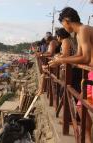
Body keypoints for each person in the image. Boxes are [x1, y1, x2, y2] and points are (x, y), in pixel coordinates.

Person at [49, 7, 93, 143]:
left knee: (82, 105)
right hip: (91, 73)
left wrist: (61, 60)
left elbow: (85, 58)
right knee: (81, 106)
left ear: (67, 20)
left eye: (62, 23)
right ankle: (87, 137)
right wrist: (59, 60)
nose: (63, 27)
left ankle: (87, 138)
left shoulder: (84, 29)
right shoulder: (79, 33)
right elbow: (78, 55)